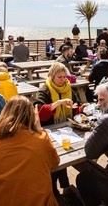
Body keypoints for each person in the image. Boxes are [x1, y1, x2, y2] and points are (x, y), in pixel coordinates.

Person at [34, 62, 79, 197]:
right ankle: (54, 190)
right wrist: (58, 103)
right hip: (49, 130)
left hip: (66, 130)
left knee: (63, 158)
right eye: (59, 77)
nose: (63, 80)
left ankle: (65, 187)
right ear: (52, 76)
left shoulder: (68, 88)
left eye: (64, 77)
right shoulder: (44, 90)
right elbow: (40, 113)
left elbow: (76, 106)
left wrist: (79, 107)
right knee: (53, 162)